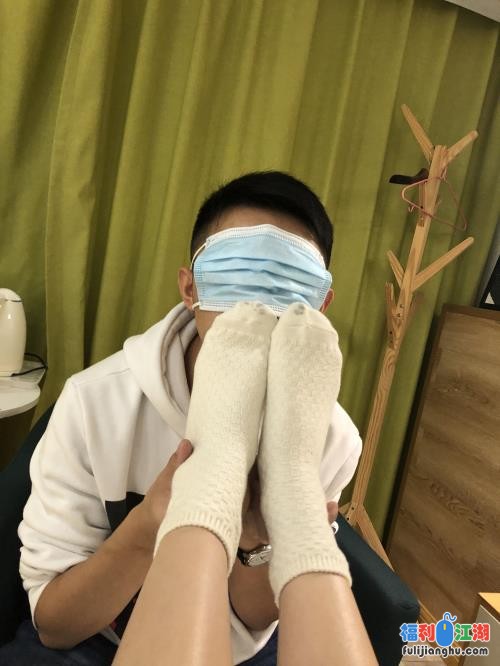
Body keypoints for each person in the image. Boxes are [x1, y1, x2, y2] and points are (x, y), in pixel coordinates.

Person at [1, 172, 366, 665]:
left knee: (296, 524)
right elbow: (55, 625)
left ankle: (288, 495)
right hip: (94, 637)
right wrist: (150, 523)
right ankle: (277, 493)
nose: (259, 307)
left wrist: (259, 542)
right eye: (239, 273)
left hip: (238, 647)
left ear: (321, 305)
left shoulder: (335, 438)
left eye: (287, 284)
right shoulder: (96, 401)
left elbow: (253, 621)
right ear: (190, 288)